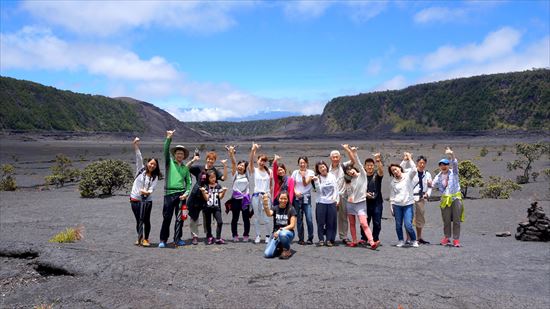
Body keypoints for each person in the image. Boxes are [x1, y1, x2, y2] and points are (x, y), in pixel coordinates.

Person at [341, 144, 379, 250]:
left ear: (354, 169)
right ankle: (354, 241)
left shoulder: (362, 175)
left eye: (351, 170)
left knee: (363, 223)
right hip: (350, 204)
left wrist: (354, 153)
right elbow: (345, 192)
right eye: (348, 171)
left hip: (361, 204)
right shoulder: (349, 180)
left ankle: (372, 242)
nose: (350, 172)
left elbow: (360, 164)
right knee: (352, 223)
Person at [159, 130, 192, 248]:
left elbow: (189, 182)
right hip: (169, 194)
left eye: (181, 154)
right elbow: (165, 150)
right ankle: (163, 239)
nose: (179, 155)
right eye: (178, 153)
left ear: (184, 156)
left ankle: (177, 239)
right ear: (174, 154)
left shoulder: (185, 168)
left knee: (180, 219)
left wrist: (186, 193)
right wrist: (169, 138)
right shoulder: (169, 163)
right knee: (166, 217)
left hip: (181, 195)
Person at [186, 150, 228, 245]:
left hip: (209, 197)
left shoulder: (215, 171)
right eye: (209, 159)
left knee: (207, 217)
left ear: (214, 160)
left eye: (212, 159)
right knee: (194, 216)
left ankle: (208, 235)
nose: (210, 161)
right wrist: (193, 160)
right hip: (197, 195)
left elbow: (224, 178)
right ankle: (195, 236)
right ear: (206, 159)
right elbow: (186, 168)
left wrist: (225, 166)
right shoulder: (199, 168)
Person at [130, 137, 161, 247]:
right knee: (139, 219)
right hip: (135, 199)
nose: (152, 165)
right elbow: (139, 157)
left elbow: (152, 189)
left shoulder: (155, 177)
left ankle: (146, 239)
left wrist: (146, 192)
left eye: (154, 165)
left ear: (156, 167)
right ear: (147, 163)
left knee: (146, 220)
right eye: (151, 163)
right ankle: (139, 238)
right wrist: (135, 144)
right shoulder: (140, 170)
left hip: (147, 201)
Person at [432, 147, 464, 247]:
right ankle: (447, 238)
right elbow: (432, 184)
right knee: (446, 220)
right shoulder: (438, 176)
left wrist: (452, 154)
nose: (443, 166)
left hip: (455, 198)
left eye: (445, 164)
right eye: (441, 165)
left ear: (448, 165)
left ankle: (456, 239)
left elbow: (455, 163)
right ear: (439, 167)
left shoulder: (453, 173)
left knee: (456, 220)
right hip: (445, 199)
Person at [388, 152, 418, 248]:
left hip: (408, 204)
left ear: (400, 169)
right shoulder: (393, 182)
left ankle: (414, 240)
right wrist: (391, 206)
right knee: (398, 225)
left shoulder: (407, 176)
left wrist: (408, 159)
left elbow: (414, 169)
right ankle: (400, 240)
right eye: (393, 171)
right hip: (397, 205)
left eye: (396, 169)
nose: (395, 171)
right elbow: (392, 195)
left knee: (408, 225)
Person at [227, 145, 252, 242]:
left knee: (246, 218)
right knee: (235, 218)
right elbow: (233, 163)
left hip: (245, 200)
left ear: (245, 168)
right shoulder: (235, 174)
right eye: (239, 164)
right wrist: (231, 153)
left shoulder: (247, 175)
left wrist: (252, 150)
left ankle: (246, 234)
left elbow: (250, 163)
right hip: (235, 200)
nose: (240, 166)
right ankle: (235, 235)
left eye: (242, 165)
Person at [262, 191, 297, 259]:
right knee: (268, 254)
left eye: (285, 199)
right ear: (278, 199)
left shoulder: (291, 209)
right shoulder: (275, 208)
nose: (283, 200)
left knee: (282, 234)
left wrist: (280, 231)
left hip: (287, 233)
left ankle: (287, 249)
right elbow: (268, 214)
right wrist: (265, 204)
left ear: (288, 199)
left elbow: (292, 225)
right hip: (275, 234)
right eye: (281, 198)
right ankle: (280, 247)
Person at [328, 150, 353, 245]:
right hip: (331, 197)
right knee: (331, 217)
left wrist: (348, 150)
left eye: (336, 157)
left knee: (343, 217)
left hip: (342, 195)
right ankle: (331, 237)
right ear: (330, 158)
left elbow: (352, 160)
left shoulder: (344, 166)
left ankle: (344, 236)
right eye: (333, 157)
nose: (335, 159)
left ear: (340, 158)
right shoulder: (327, 169)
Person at [249, 143, 272, 244]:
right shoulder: (254, 170)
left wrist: (270, 194)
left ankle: (268, 235)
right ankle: (258, 235)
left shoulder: (269, 171)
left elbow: (271, 184)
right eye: (260, 160)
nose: (262, 162)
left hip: (266, 197)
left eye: (264, 161)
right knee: (257, 217)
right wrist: (253, 150)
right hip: (256, 196)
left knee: (267, 217)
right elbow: (250, 161)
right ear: (257, 161)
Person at [313, 161, 339, 246]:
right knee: (320, 222)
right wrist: (316, 182)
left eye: (323, 166)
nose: (322, 169)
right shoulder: (317, 178)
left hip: (331, 202)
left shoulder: (332, 176)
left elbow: (336, 188)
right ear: (318, 170)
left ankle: (328, 239)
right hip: (321, 202)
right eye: (320, 168)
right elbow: (319, 191)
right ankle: (321, 239)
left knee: (330, 222)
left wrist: (336, 198)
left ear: (326, 167)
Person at [360, 153, 384, 245]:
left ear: (374, 166)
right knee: (364, 222)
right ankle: (364, 238)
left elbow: (381, 171)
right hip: (365, 203)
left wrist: (378, 160)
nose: (369, 167)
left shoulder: (377, 176)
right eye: (368, 165)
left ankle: (375, 238)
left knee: (377, 222)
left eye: (371, 165)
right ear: (365, 166)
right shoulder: (362, 177)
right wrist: (365, 194)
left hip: (377, 202)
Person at [291, 156, 315, 245]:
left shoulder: (311, 172)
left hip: (306, 197)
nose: (302, 164)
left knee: (309, 218)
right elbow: (292, 184)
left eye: (304, 162)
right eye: (300, 163)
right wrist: (295, 192)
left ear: (307, 163)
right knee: (299, 219)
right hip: (297, 198)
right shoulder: (295, 172)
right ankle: (301, 239)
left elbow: (305, 184)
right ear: (298, 164)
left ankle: (310, 238)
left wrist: (304, 176)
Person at [199, 170, 228, 244]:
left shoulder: (218, 186)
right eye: (211, 178)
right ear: (208, 178)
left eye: (214, 177)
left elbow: (220, 197)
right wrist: (203, 191)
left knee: (220, 222)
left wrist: (224, 191)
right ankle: (209, 237)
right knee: (208, 223)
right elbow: (206, 198)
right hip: (207, 207)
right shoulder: (205, 186)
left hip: (216, 208)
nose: (213, 179)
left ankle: (218, 238)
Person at [411, 155, 432, 244]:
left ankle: (419, 237)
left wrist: (428, 194)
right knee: (410, 218)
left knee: (420, 218)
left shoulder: (427, 174)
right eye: (420, 163)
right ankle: (410, 238)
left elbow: (430, 186)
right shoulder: (412, 172)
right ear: (417, 163)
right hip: (411, 197)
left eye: (424, 163)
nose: (422, 165)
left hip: (421, 198)